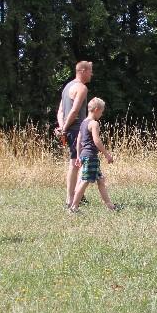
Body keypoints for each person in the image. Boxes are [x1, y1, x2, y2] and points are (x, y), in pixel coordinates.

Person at [69, 97, 117, 212]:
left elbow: (79, 140)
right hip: (91, 156)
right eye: (101, 111)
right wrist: (107, 154)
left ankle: (110, 206)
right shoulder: (94, 123)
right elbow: (97, 140)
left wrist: (79, 156)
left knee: (101, 181)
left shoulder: (83, 123)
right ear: (96, 110)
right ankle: (74, 207)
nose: (102, 114)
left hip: (85, 155)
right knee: (85, 181)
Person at [56, 61, 93, 207]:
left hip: (69, 130)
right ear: (82, 71)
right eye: (90, 71)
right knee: (78, 163)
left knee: (75, 162)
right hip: (77, 130)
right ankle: (72, 199)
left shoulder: (67, 87)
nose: (91, 74)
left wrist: (62, 127)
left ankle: (76, 196)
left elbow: (60, 111)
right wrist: (64, 128)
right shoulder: (82, 88)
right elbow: (75, 110)